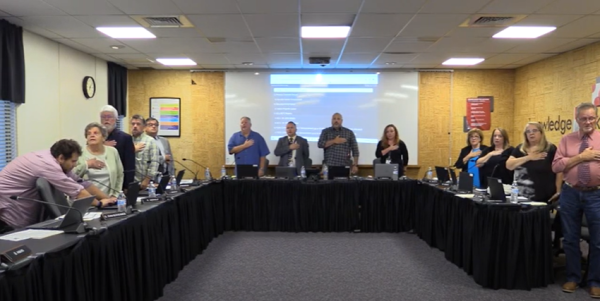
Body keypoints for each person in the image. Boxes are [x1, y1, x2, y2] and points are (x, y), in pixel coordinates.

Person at [0, 139, 115, 232]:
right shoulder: (48, 166)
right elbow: (78, 192)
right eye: (73, 161)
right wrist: (99, 203)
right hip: (7, 212)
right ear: (61, 158)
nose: (75, 165)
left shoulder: (55, 158)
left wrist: (107, 199)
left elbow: (81, 183)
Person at [552, 102, 600, 298]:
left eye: (591, 118)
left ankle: (594, 281)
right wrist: (582, 157)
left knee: (598, 241)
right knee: (570, 238)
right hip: (571, 193)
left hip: (596, 195)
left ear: (596, 118)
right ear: (577, 119)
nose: (587, 121)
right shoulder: (567, 140)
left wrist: (570, 160)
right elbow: (556, 166)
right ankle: (573, 277)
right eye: (583, 118)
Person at [505, 122, 562, 202]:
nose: (531, 133)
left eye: (534, 130)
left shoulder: (550, 149)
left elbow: (559, 171)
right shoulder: (520, 149)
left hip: (543, 195)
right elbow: (509, 165)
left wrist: (558, 190)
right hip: (521, 195)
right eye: (528, 131)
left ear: (541, 133)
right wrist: (528, 157)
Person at [73, 123, 124, 197]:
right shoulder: (79, 152)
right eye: (89, 134)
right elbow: (71, 175)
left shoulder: (112, 151)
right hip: (87, 199)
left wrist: (115, 195)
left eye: (96, 133)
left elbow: (119, 175)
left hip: (109, 198)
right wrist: (87, 164)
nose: (92, 135)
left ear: (103, 137)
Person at [100, 105, 135, 190]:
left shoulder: (125, 138)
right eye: (103, 117)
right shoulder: (96, 138)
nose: (106, 119)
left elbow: (129, 164)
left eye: (109, 117)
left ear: (116, 119)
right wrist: (102, 146)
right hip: (100, 181)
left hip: (119, 181)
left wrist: (128, 186)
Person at [130, 114, 159, 190]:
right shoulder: (127, 140)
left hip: (145, 183)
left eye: (138, 124)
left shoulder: (150, 141)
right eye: (133, 124)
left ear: (144, 127)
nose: (135, 126)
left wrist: (147, 180)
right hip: (129, 183)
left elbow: (154, 162)